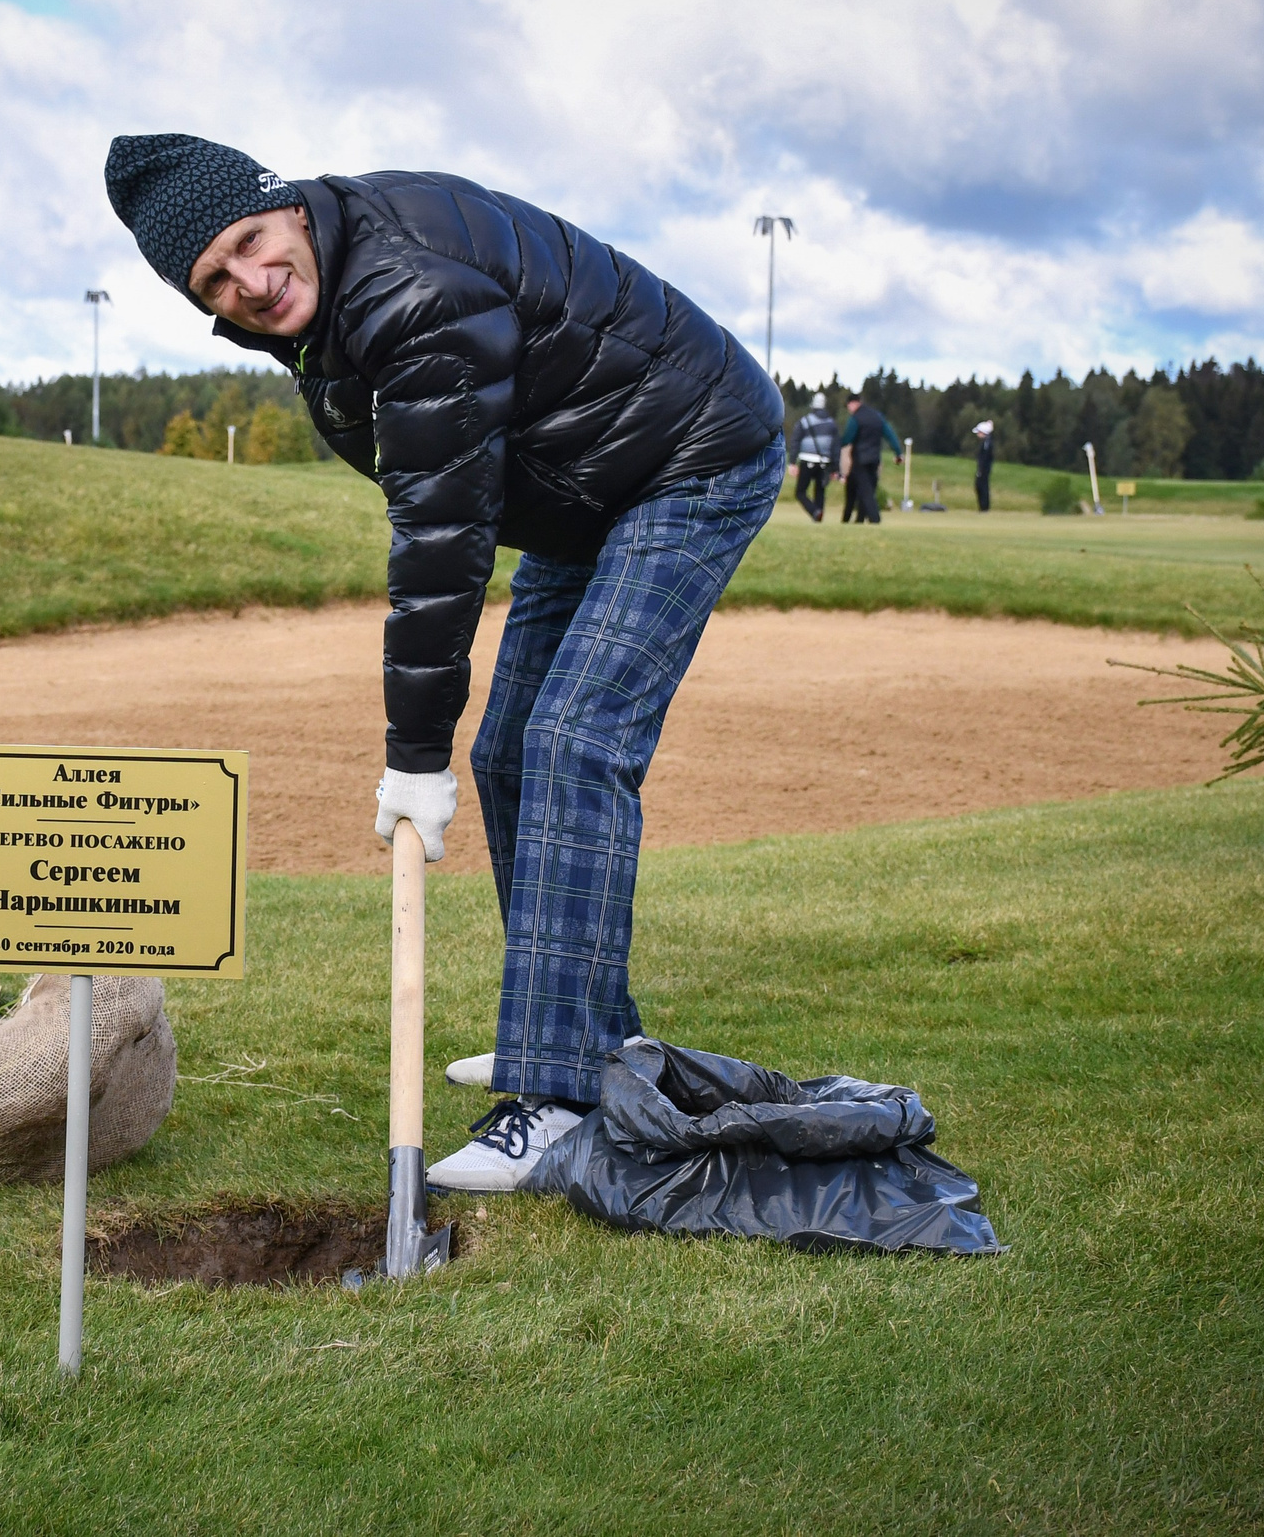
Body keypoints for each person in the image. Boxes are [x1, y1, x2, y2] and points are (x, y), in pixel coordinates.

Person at [105, 134, 785, 1190]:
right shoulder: (332, 291)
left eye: (250, 242)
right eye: (214, 281)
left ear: (288, 209)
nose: (249, 282)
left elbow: (440, 539)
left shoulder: (407, 290)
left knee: (575, 744)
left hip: (692, 455)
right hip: (587, 487)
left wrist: (413, 756)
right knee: (510, 753)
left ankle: (558, 1099)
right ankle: (577, 1037)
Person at [838, 393, 903, 523]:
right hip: (874, 460)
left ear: (853, 404)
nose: (849, 409)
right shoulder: (877, 416)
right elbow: (890, 435)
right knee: (863, 488)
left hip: (860, 460)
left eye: (848, 406)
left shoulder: (856, 418)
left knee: (865, 491)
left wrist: (836, 445)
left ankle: (874, 518)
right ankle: (857, 520)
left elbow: (848, 438)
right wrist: (898, 453)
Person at [791, 394, 837, 522]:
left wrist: (792, 462)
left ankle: (814, 512)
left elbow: (795, 441)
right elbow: (835, 447)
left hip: (807, 460)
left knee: (800, 492)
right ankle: (818, 516)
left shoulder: (805, 421)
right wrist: (835, 468)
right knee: (820, 491)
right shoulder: (831, 423)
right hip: (824, 462)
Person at [972, 419, 996, 512]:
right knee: (979, 486)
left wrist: (981, 470)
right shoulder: (986, 442)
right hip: (983, 469)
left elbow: (984, 458)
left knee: (982, 487)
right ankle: (983, 507)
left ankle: (984, 508)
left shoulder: (987, 443)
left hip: (984, 469)